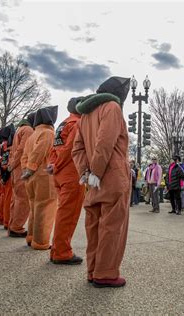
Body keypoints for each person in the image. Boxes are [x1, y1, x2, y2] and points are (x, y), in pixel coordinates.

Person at [72, 76, 131, 288]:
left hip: (92, 180)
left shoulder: (84, 116)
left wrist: (86, 173)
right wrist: (96, 170)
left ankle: (93, 270)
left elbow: (77, 148)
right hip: (113, 176)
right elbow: (105, 141)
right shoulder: (112, 107)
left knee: (94, 226)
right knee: (112, 226)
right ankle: (105, 273)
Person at [48, 97, 85, 265]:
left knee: (62, 212)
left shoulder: (63, 124)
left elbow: (54, 149)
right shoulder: (77, 123)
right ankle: (62, 252)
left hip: (59, 174)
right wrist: (56, 165)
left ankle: (58, 248)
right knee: (68, 214)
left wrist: (52, 165)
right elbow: (70, 149)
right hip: (71, 173)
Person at [21, 106, 58, 250]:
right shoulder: (48, 133)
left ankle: (31, 237)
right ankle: (41, 242)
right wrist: (31, 168)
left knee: (34, 208)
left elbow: (24, 155)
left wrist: (26, 170)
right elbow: (40, 152)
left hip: (30, 177)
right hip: (43, 175)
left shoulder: (32, 135)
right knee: (45, 208)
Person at [7, 113, 35, 237]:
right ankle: (16, 227)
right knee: (23, 200)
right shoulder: (28, 130)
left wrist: (11, 165)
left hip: (15, 169)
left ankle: (12, 224)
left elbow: (16, 150)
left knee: (16, 199)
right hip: (20, 168)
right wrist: (14, 164)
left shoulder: (20, 129)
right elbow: (22, 150)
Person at [0, 124, 16, 228]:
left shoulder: (1, 145)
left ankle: (1, 217)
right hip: (8, 174)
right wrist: (6, 176)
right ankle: (6, 221)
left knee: (2, 196)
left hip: (3, 173)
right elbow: (10, 161)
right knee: (9, 199)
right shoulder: (11, 146)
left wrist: (2, 175)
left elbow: (1, 160)